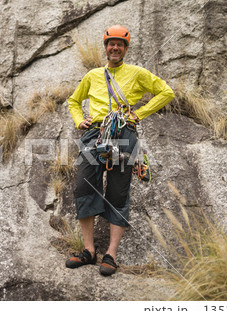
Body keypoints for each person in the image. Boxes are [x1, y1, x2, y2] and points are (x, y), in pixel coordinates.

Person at [66, 25, 174, 276]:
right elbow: (73, 100)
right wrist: (77, 119)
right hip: (95, 133)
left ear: (125, 48)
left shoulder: (137, 73)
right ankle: (89, 251)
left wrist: (139, 114)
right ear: (105, 47)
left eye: (120, 44)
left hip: (123, 134)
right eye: (110, 43)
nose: (114, 48)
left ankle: (110, 255)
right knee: (84, 185)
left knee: (117, 190)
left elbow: (166, 92)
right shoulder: (93, 75)